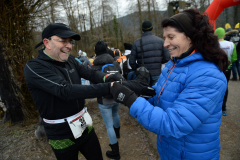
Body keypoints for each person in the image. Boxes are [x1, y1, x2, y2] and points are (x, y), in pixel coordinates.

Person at [110, 9, 228, 160]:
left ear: (191, 37)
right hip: (171, 151)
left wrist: (130, 99)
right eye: (165, 37)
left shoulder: (208, 76)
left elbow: (174, 124)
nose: (165, 43)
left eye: (171, 37)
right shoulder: (174, 64)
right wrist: (139, 91)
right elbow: (159, 99)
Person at [24, 23, 124, 160]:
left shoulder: (70, 59)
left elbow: (91, 74)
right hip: (60, 133)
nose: (69, 46)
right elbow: (66, 90)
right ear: (47, 43)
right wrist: (109, 88)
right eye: (63, 41)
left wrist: (110, 78)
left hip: (84, 124)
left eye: (70, 42)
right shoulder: (34, 67)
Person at [91, 40, 122, 159]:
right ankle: (117, 133)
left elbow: (93, 83)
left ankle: (115, 152)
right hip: (116, 96)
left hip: (104, 100)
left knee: (109, 125)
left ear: (96, 52)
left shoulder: (95, 66)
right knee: (116, 115)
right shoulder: (115, 62)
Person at [129, 20, 170, 86]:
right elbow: (167, 57)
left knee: (144, 94)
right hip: (157, 73)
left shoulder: (137, 43)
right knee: (156, 93)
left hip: (142, 74)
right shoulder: (160, 41)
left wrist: (137, 69)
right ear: (152, 29)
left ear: (142, 30)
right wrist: (158, 61)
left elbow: (131, 61)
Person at [214, 27, 237, 116]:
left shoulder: (214, 45)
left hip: (217, 69)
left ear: (216, 35)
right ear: (224, 34)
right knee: (225, 87)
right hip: (227, 69)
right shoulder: (231, 44)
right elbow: (234, 58)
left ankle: (217, 106)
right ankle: (224, 108)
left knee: (216, 87)